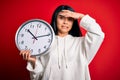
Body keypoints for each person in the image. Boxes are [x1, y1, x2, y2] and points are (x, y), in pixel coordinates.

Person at [20, 5, 105, 80]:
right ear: (55, 19)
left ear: (73, 22)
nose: (65, 22)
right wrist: (33, 61)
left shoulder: (81, 44)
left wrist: (81, 16)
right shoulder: (44, 44)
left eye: (70, 19)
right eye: (61, 17)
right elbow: (37, 77)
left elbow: (98, 34)